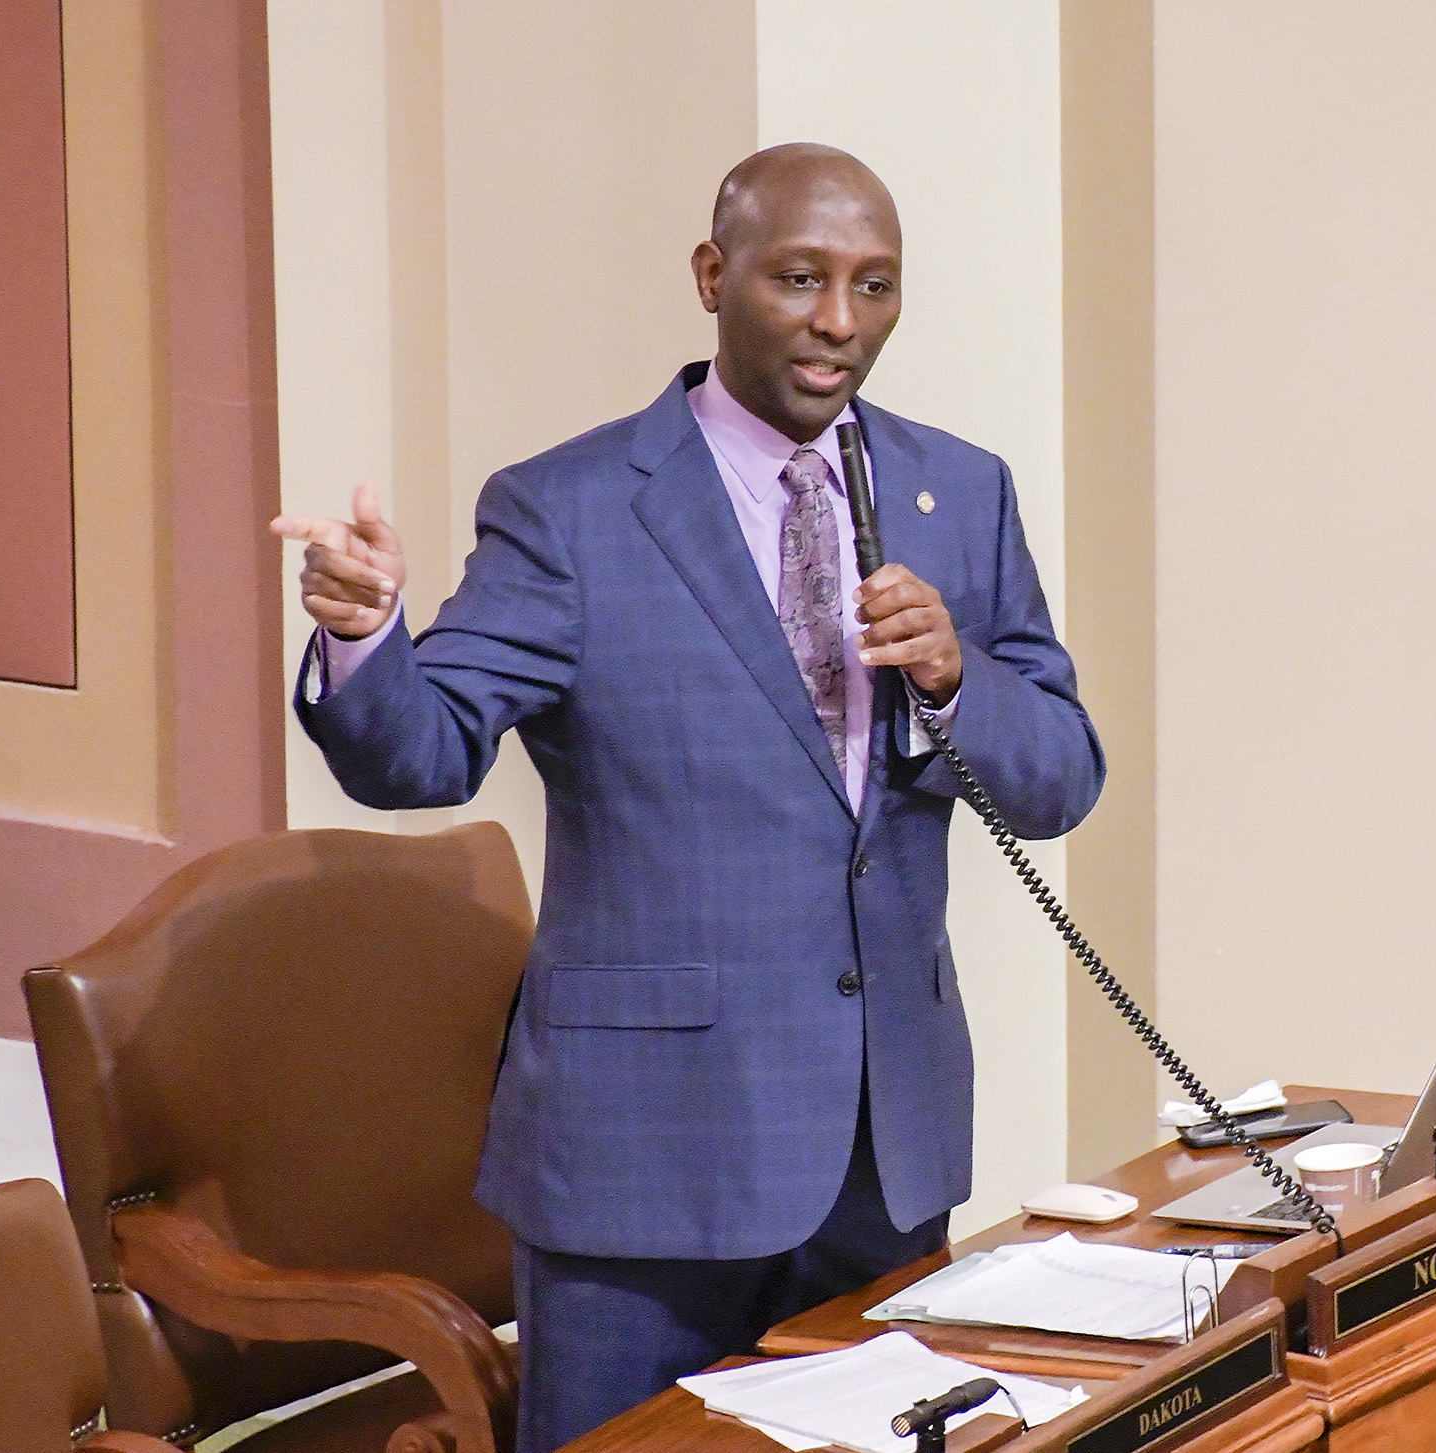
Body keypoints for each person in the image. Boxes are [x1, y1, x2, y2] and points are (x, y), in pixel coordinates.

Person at [274, 143, 1104, 1451]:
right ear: (715, 277)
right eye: (801, 278)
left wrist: (955, 676)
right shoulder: (570, 510)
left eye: (875, 285)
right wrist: (368, 634)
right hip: (644, 1172)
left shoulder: (960, 493)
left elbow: (1058, 777)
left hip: (880, 1156)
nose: (841, 321)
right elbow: (419, 756)